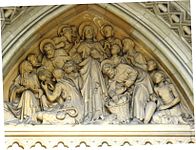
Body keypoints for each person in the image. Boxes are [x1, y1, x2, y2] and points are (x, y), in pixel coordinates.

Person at [77, 22, 108, 122]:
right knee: (86, 91)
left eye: (91, 30)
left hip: (96, 70)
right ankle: (87, 113)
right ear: (83, 33)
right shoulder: (82, 45)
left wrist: (98, 56)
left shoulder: (97, 44)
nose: (89, 32)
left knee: (97, 89)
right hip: (85, 71)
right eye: (86, 31)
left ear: (94, 33)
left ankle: (98, 111)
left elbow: (105, 59)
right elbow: (74, 57)